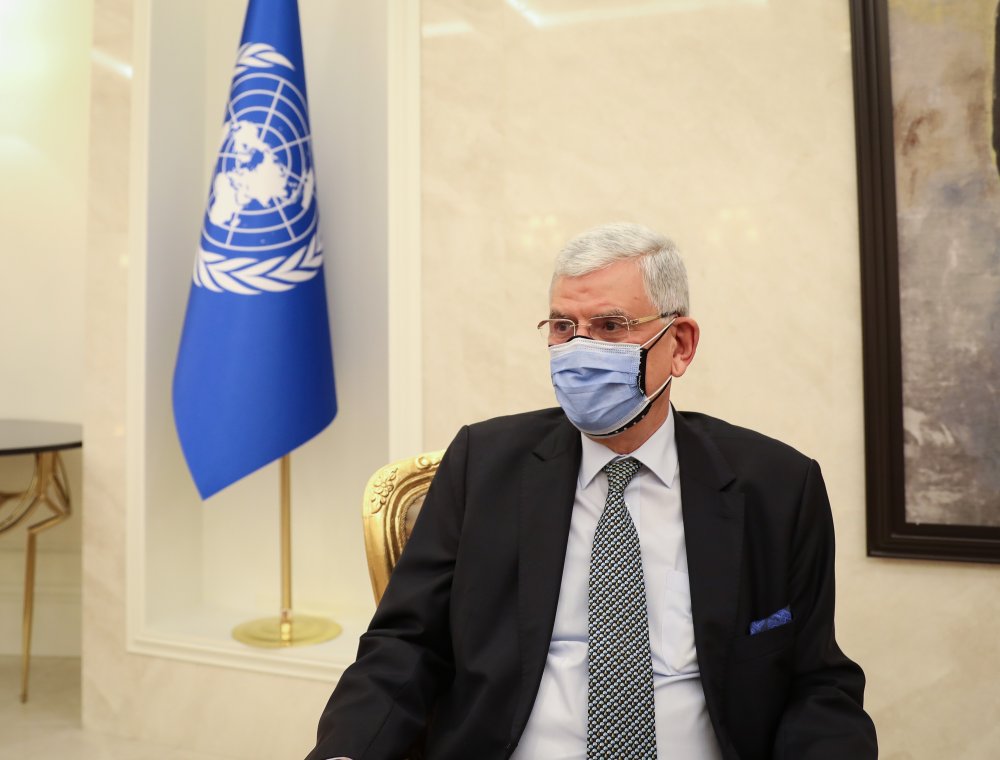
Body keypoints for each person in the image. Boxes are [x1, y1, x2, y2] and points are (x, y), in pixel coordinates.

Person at [306, 223, 878, 760]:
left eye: (610, 326)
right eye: (563, 327)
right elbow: (405, 645)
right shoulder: (482, 464)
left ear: (679, 344)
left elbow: (816, 680)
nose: (580, 349)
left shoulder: (777, 485)